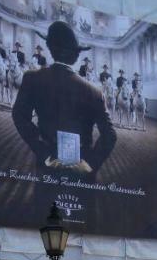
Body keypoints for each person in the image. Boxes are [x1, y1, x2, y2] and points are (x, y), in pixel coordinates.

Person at [11, 21, 116, 191]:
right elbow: (110, 135)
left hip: (48, 165)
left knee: (45, 212)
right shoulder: (95, 92)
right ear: (75, 56)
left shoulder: (32, 79)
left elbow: (19, 116)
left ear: (50, 50)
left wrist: (44, 153)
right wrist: (89, 164)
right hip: (83, 172)